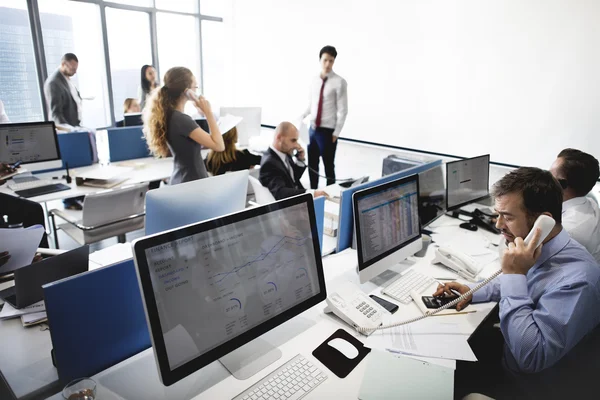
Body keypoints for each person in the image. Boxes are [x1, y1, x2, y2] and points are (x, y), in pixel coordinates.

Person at [434, 167, 600, 397]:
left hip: (529, 388)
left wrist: (514, 275)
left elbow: (530, 358)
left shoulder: (578, 281)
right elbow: (527, 286)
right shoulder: (542, 249)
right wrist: (474, 291)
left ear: (544, 222)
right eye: (498, 214)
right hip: (507, 357)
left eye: (508, 217)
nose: (498, 224)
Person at [143, 66, 224, 185]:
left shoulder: (170, 116)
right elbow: (219, 146)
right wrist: (208, 112)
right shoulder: (181, 120)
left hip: (181, 178)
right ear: (187, 91)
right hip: (193, 182)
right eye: (195, 87)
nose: (197, 91)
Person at [300, 45, 348, 189]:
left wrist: (336, 133)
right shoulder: (314, 80)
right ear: (320, 59)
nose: (327, 64)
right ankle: (314, 193)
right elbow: (312, 104)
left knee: (328, 167)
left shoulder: (339, 82)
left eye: (331, 61)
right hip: (312, 129)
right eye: (325, 60)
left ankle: (330, 194)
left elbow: (343, 110)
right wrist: (301, 116)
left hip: (328, 131)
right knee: (312, 165)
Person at [549, 148, 600, 263]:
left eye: (549, 178)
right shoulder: (590, 203)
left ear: (561, 184)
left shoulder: (566, 231)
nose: (545, 182)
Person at [259, 121, 328, 200]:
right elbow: (281, 192)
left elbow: (293, 178)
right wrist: (311, 194)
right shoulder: (269, 163)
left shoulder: (284, 153)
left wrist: (300, 160)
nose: (296, 145)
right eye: (293, 140)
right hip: (291, 206)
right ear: (279, 137)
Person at [44, 53, 82, 131]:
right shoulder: (54, 83)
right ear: (63, 64)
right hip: (66, 131)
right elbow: (56, 113)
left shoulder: (67, 79)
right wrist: (69, 130)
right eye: (72, 69)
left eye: (76, 69)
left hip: (74, 127)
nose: (75, 72)